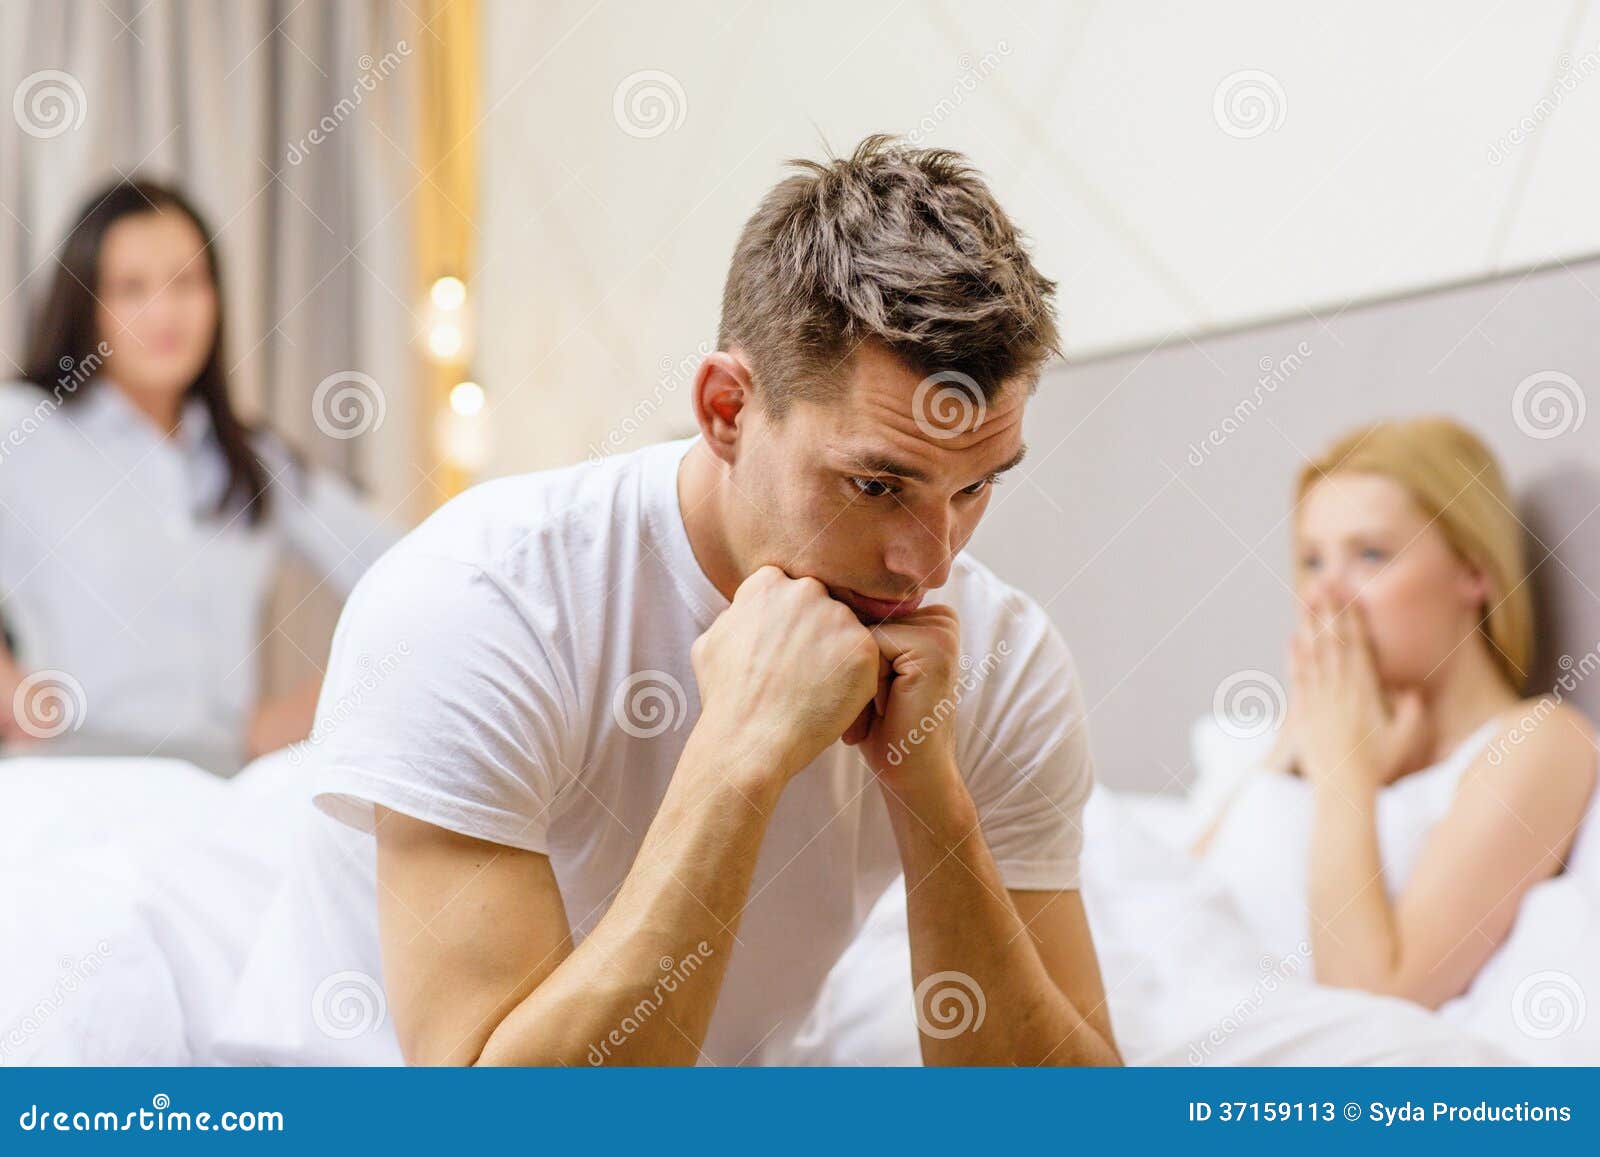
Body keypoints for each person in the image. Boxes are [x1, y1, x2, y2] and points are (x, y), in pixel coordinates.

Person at [213, 136, 1120, 1067]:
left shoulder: (1001, 655)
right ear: (727, 410)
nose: (927, 566)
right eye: (876, 485)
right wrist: (736, 758)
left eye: (973, 489)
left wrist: (932, 798)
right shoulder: (480, 598)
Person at [1195, 417, 1597, 1007]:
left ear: (1473, 571)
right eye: (1312, 561)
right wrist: (1299, 738)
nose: (1324, 597)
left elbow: (1374, 1000)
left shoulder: (1540, 741)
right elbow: (1174, 903)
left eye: (1371, 554)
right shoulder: (1320, 734)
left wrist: (1343, 771)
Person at [0, 179, 399, 771]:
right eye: (131, 288)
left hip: (220, 788)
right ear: (87, 304)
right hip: (68, 780)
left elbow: (411, 572)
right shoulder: (26, 427)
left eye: (186, 282)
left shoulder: (253, 459)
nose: (165, 312)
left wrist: (316, 706)